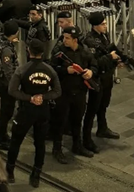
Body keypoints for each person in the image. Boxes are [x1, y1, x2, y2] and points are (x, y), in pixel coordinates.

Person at [6, 39, 61, 188]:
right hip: (43, 111)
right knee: (40, 144)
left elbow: (12, 90)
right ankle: (36, 174)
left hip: (26, 111)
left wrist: (30, 98)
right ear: (43, 52)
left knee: (16, 141)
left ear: (28, 51)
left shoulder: (22, 70)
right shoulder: (50, 70)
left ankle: (10, 171)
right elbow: (57, 91)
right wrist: (42, 97)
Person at [50, 26, 98, 163]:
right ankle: (57, 148)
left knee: (77, 121)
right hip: (63, 93)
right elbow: (52, 67)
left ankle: (77, 145)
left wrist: (91, 72)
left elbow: (94, 65)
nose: (64, 40)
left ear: (75, 40)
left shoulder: (85, 52)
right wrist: (66, 70)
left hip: (80, 93)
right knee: (60, 122)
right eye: (64, 37)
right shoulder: (59, 52)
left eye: (67, 38)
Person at [82, 12, 121, 153]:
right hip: (96, 79)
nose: (105, 26)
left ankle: (102, 128)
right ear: (96, 26)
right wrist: (110, 57)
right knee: (92, 108)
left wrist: (116, 61)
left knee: (103, 105)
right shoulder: (89, 41)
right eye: (103, 24)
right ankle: (86, 138)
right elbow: (94, 63)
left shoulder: (104, 36)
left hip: (107, 78)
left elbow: (110, 53)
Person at [0, 21, 19, 150]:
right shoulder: (6, 50)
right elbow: (8, 71)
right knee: (6, 112)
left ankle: (2, 135)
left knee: (5, 111)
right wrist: (14, 86)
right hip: (6, 83)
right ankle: (1, 139)